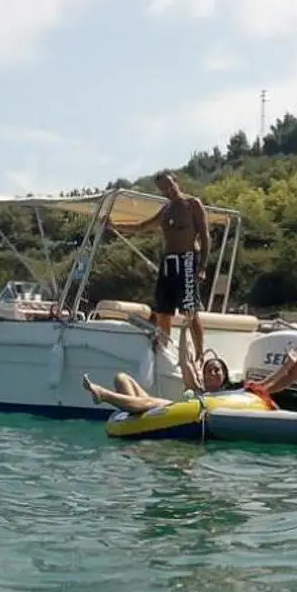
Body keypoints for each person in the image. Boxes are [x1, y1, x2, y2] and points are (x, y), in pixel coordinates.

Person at [112, 171, 210, 361]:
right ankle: (164, 351)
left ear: (177, 182)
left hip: (188, 259)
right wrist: (114, 225)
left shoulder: (193, 204)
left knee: (189, 309)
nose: (168, 190)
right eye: (163, 188)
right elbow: (141, 227)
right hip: (169, 262)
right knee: (163, 310)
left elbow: (205, 235)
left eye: (170, 185)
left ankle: (200, 354)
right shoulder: (165, 210)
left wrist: (203, 266)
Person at [82, 319, 230, 414]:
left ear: (224, 375)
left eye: (216, 370)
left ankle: (104, 395)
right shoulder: (198, 389)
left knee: (150, 402)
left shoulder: (230, 396)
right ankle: (134, 411)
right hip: (171, 409)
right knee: (121, 378)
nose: (212, 373)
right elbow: (184, 362)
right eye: (208, 370)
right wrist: (184, 330)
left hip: (168, 409)